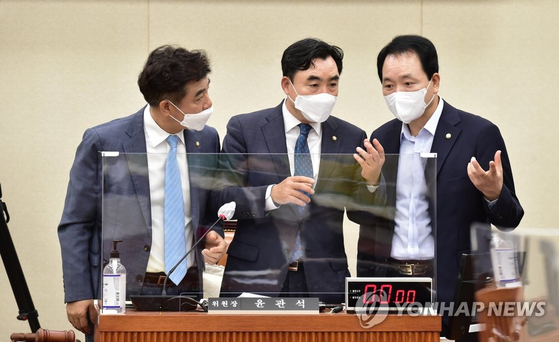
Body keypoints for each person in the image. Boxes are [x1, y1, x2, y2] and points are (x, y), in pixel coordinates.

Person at [357, 35, 524, 338]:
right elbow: (366, 217)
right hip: (389, 288)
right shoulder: (382, 138)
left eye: (408, 83)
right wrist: (369, 185)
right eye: (388, 85)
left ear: (434, 82)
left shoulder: (478, 134)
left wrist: (493, 193)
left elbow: (510, 219)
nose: (397, 93)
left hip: (453, 289)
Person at [57, 45, 226, 340]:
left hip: (189, 292)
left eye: (207, 90)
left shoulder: (207, 139)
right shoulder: (104, 141)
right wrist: (78, 293)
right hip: (122, 292)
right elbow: (76, 223)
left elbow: (209, 210)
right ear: (167, 106)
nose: (208, 103)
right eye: (199, 96)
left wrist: (215, 236)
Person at [213, 38, 384, 304]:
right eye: (313, 84)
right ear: (287, 85)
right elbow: (221, 197)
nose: (325, 93)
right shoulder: (246, 129)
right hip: (256, 276)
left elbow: (361, 214)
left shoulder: (351, 136)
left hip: (325, 279)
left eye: (333, 84)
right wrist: (272, 195)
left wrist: (371, 182)